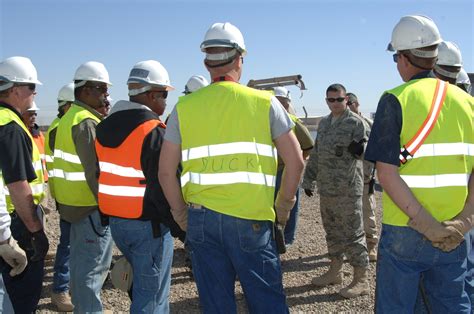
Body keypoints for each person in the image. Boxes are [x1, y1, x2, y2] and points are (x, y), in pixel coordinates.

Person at [159, 22, 304, 313]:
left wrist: (181, 215)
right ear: (240, 58)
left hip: (202, 220)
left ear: (206, 62)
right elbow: (297, 161)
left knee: (215, 303)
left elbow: (165, 172)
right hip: (252, 220)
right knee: (266, 301)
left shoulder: (183, 108)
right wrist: (284, 208)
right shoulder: (265, 103)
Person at [365, 15, 473, 312]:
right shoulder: (468, 104)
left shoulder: (395, 100)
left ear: (403, 58)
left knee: (397, 306)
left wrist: (425, 224)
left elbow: (386, 175)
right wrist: (465, 220)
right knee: (452, 304)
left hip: (406, 228)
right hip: (454, 230)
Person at [95, 60, 185, 312]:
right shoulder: (152, 130)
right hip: (148, 226)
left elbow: (98, 175)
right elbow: (161, 185)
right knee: (152, 298)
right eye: (164, 94)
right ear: (150, 94)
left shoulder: (103, 127)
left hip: (117, 223)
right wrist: (180, 227)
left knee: (142, 290)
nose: (166, 101)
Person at [52, 61, 114, 312]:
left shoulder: (70, 118)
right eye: (102, 89)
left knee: (80, 268)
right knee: (92, 269)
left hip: (74, 207)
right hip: (90, 208)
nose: (106, 95)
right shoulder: (87, 122)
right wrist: (109, 208)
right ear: (86, 90)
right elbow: (95, 172)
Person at [302, 83, 369, 298]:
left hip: (348, 189)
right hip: (328, 189)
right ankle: (335, 271)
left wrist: (360, 150)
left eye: (339, 100)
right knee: (332, 231)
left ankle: (361, 280)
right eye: (331, 100)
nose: (335, 104)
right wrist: (308, 179)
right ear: (326, 101)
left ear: (346, 100)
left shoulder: (355, 123)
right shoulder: (324, 124)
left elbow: (368, 152)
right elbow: (317, 153)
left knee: (353, 234)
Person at [0, 56, 49, 312]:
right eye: (32, 88)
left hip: (6, 223)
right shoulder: (11, 127)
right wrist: (36, 231)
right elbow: (18, 186)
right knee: (22, 296)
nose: (35, 94)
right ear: (16, 90)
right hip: (14, 223)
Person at [45, 82, 74, 312]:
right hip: (68, 196)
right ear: (66, 106)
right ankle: (60, 289)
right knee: (67, 244)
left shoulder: (63, 123)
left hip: (72, 194)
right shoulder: (60, 126)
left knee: (75, 243)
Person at [273, 86, 313, 245]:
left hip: (286, 170)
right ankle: (275, 236)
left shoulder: (293, 122)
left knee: (289, 204)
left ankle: (287, 239)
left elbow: (309, 146)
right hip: (270, 171)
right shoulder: (266, 120)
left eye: (282, 101)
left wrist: (295, 163)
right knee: (273, 205)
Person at [346, 92, 378, 261]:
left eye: (349, 102)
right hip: (345, 180)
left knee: (367, 214)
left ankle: (371, 245)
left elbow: (378, 150)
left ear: (357, 104)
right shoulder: (340, 125)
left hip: (365, 178)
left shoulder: (369, 124)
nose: (347, 106)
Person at [21, 101, 48, 183]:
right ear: (21, 114)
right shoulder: (18, 135)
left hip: (42, 182)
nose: (33, 117)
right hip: (26, 184)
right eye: (30, 114)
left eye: (34, 114)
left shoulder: (39, 135)